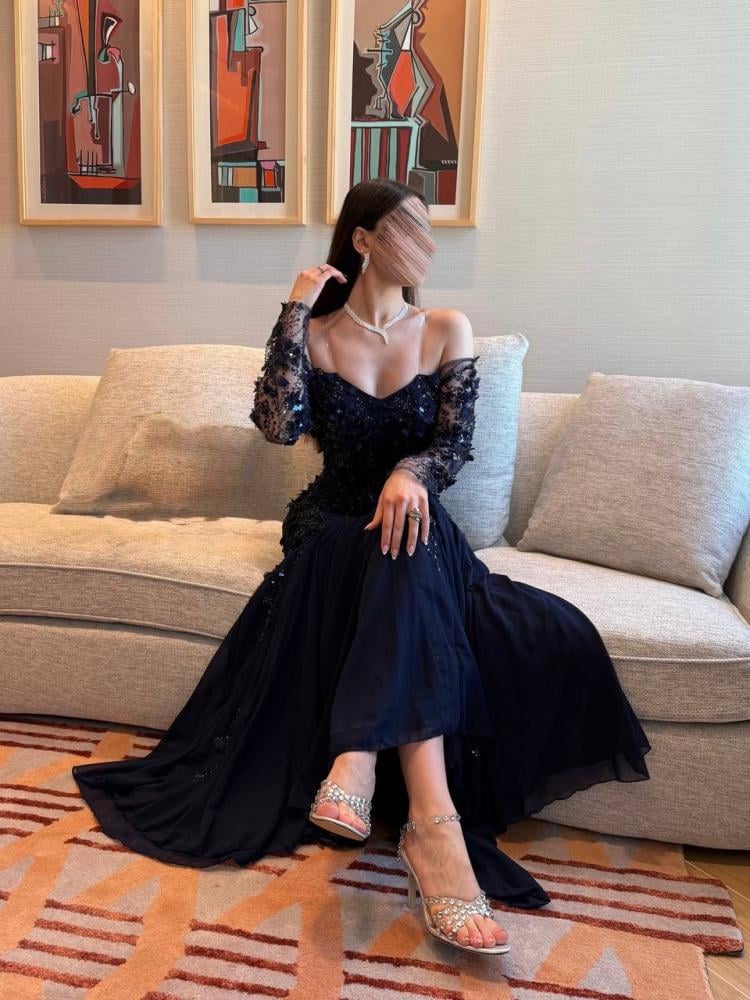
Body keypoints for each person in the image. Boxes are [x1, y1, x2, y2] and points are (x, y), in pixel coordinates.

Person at [71, 178, 652, 957]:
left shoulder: (446, 327)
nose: (427, 244)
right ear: (365, 240)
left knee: (406, 536)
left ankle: (361, 763)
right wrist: (293, 310)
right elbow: (278, 427)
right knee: (392, 547)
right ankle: (432, 832)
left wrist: (410, 473)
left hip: (417, 520)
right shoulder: (315, 334)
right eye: (409, 228)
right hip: (332, 523)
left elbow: (453, 445)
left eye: (428, 229)